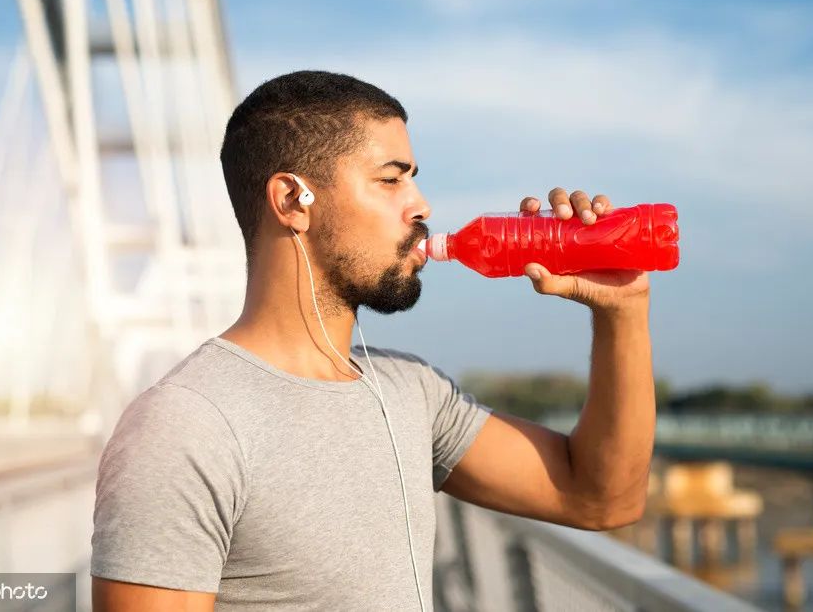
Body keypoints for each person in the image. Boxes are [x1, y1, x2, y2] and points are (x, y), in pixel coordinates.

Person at [90, 71, 655, 611]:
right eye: (391, 179)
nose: (422, 205)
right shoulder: (186, 426)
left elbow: (602, 497)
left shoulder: (413, 392)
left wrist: (622, 309)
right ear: (292, 201)